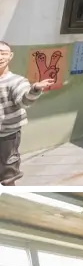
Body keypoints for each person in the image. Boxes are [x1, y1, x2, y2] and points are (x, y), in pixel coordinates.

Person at [0, 42, 55, 189]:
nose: (0, 57)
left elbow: (23, 101)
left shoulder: (16, 81)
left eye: (3, 53)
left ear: (10, 56)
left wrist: (35, 89)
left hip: (7, 136)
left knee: (6, 175)